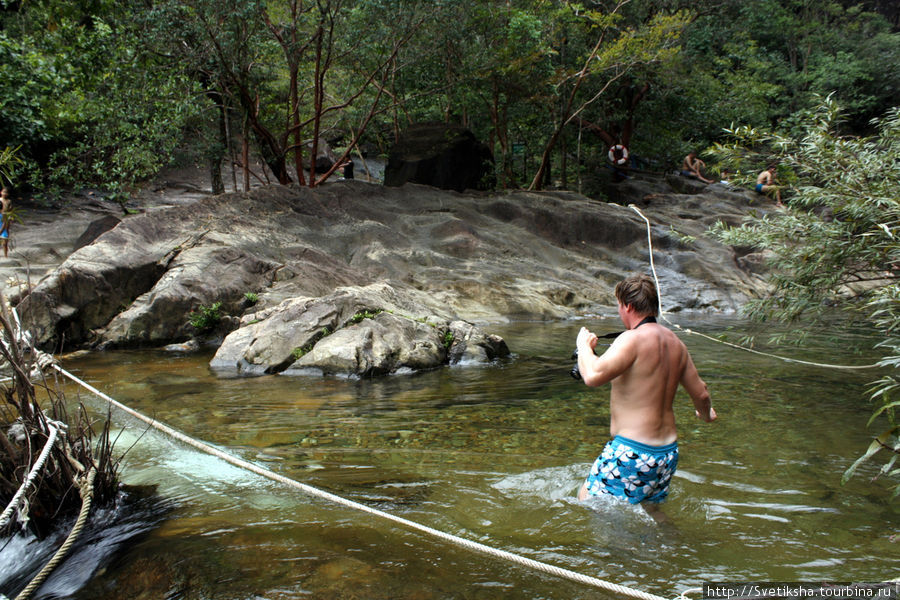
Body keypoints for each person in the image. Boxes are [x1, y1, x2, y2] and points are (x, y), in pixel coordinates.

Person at [574, 274, 716, 519]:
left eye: (619, 306)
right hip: (666, 455)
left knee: (587, 498)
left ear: (627, 305)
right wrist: (705, 414)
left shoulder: (631, 339)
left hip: (633, 451)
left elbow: (593, 375)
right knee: (649, 512)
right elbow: (701, 393)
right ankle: (670, 549)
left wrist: (584, 347)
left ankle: (610, 557)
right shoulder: (676, 343)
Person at [1, 187, 10, 258]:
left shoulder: (8, 201)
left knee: (5, 239)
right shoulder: (0, 200)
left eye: (6, 192)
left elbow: (10, 209)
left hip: (6, 217)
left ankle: (6, 255)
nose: (4, 194)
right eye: (3, 192)